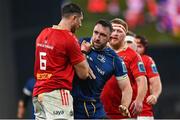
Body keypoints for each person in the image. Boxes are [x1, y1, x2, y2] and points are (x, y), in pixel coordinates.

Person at [32, 3, 94, 119]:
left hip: (38, 93)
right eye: (80, 20)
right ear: (74, 18)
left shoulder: (43, 33)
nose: (80, 24)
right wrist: (84, 52)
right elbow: (83, 74)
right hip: (57, 94)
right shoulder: (69, 38)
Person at [72, 19, 132, 119]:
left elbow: (126, 88)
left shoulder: (115, 60)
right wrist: (82, 53)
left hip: (93, 108)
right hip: (71, 103)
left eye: (103, 35)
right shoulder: (79, 43)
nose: (97, 38)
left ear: (109, 38)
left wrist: (124, 105)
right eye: (96, 32)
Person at [101, 18, 148, 119]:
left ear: (125, 35)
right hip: (98, 111)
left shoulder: (133, 55)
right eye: (113, 30)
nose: (115, 33)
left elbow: (142, 80)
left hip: (123, 113)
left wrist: (139, 100)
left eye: (119, 31)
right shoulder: (99, 51)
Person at [135, 35, 162, 120]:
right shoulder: (118, 58)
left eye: (139, 46)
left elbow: (155, 81)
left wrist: (154, 95)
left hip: (142, 113)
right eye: (134, 45)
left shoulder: (146, 60)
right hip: (118, 112)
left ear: (144, 49)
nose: (136, 48)